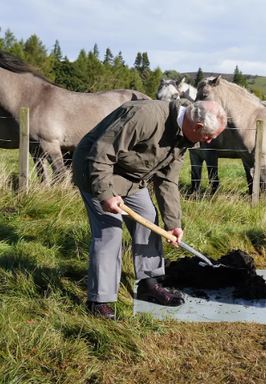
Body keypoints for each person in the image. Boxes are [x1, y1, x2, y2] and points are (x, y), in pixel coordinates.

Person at [72, 98, 227, 320]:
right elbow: (101, 154)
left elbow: (167, 181)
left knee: (148, 217)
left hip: (131, 177)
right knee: (110, 232)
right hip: (96, 170)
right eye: (209, 136)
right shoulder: (146, 117)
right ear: (198, 127)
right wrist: (106, 195)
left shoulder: (184, 137)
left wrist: (173, 224)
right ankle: (99, 301)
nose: (210, 142)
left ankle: (149, 283)